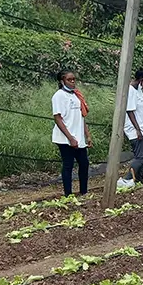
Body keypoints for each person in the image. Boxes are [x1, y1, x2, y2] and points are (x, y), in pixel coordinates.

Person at [52, 69, 92, 197]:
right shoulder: (58, 96)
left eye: (74, 79)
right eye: (69, 80)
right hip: (65, 138)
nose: (73, 82)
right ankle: (68, 195)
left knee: (84, 163)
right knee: (68, 165)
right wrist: (70, 138)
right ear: (62, 81)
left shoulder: (76, 95)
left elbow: (81, 116)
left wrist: (87, 135)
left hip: (78, 136)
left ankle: (83, 191)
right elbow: (58, 118)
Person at [117, 69, 143, 188]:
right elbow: (130, 110)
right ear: (142, 80)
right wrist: (137, 129)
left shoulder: (138, 90)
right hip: (136, 130)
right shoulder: (130, 90)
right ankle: (126, 179)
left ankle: (139, 180)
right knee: (140, 156)